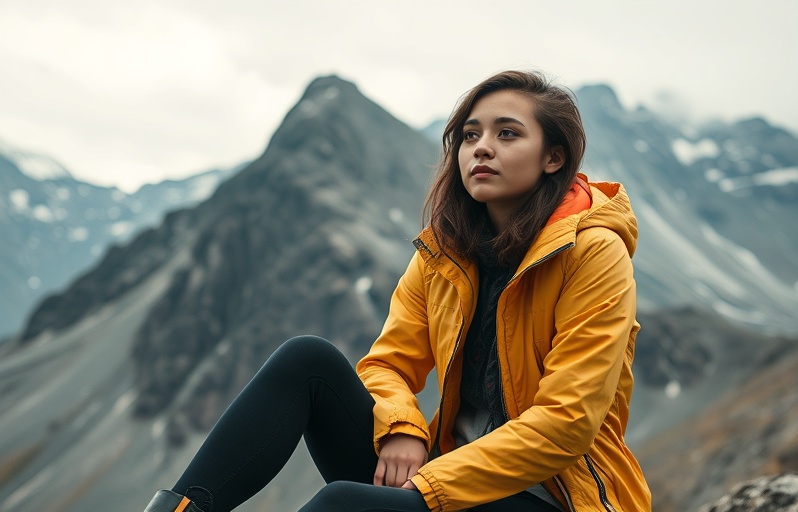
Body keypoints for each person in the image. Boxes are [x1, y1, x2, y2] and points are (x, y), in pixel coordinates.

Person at [143, 70, 651, 512]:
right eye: (470, 135)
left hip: (555, 497)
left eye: (508, 134)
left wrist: (429, 485)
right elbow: (387, 365)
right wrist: (403, 427)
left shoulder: (592, 252)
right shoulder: (447, 254)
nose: (482, 147)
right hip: (449, 484)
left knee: (343, 503)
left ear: (553, 158)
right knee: (307, 362)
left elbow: (565, 424)